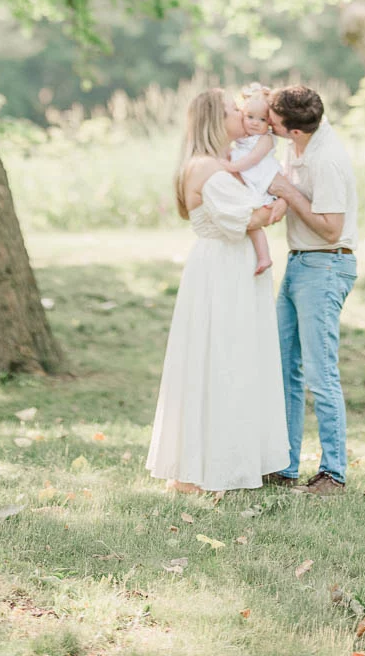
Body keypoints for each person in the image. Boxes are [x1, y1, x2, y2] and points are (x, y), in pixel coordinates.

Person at [145, 88, 289, 493]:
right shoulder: (208, 167)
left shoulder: (220, 164)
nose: (241, 116)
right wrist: (278, 207)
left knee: (230, 358)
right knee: (221, 358)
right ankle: (204, 469)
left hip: (230, 265)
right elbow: (248, 216)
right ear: (214, 120)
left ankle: (216, 461)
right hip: (222, 269)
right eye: (231, 111)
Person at [264, 84, 358, 496]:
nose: (268, 125)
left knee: (321, 374)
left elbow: (331, 227)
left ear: (294, 131)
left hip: (325, 263)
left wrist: (288, 192)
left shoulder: (328, 160)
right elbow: (289, 107)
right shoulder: (302, 135)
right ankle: (285, 466)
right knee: (286, 367)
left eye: (273, 121)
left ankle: (332, 473)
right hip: (298, 262)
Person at [225, 81, 280, 275]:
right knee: (248, 222)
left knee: (253, 223)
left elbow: (253, 159)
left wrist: (232, 167)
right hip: (248, 182)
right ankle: (258, 258)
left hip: (260, 182)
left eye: (262, 120)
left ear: (270, 123)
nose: (255, 123)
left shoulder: (265, 139)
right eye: (250, 117)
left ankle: (265, 257)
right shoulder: (240, 137)